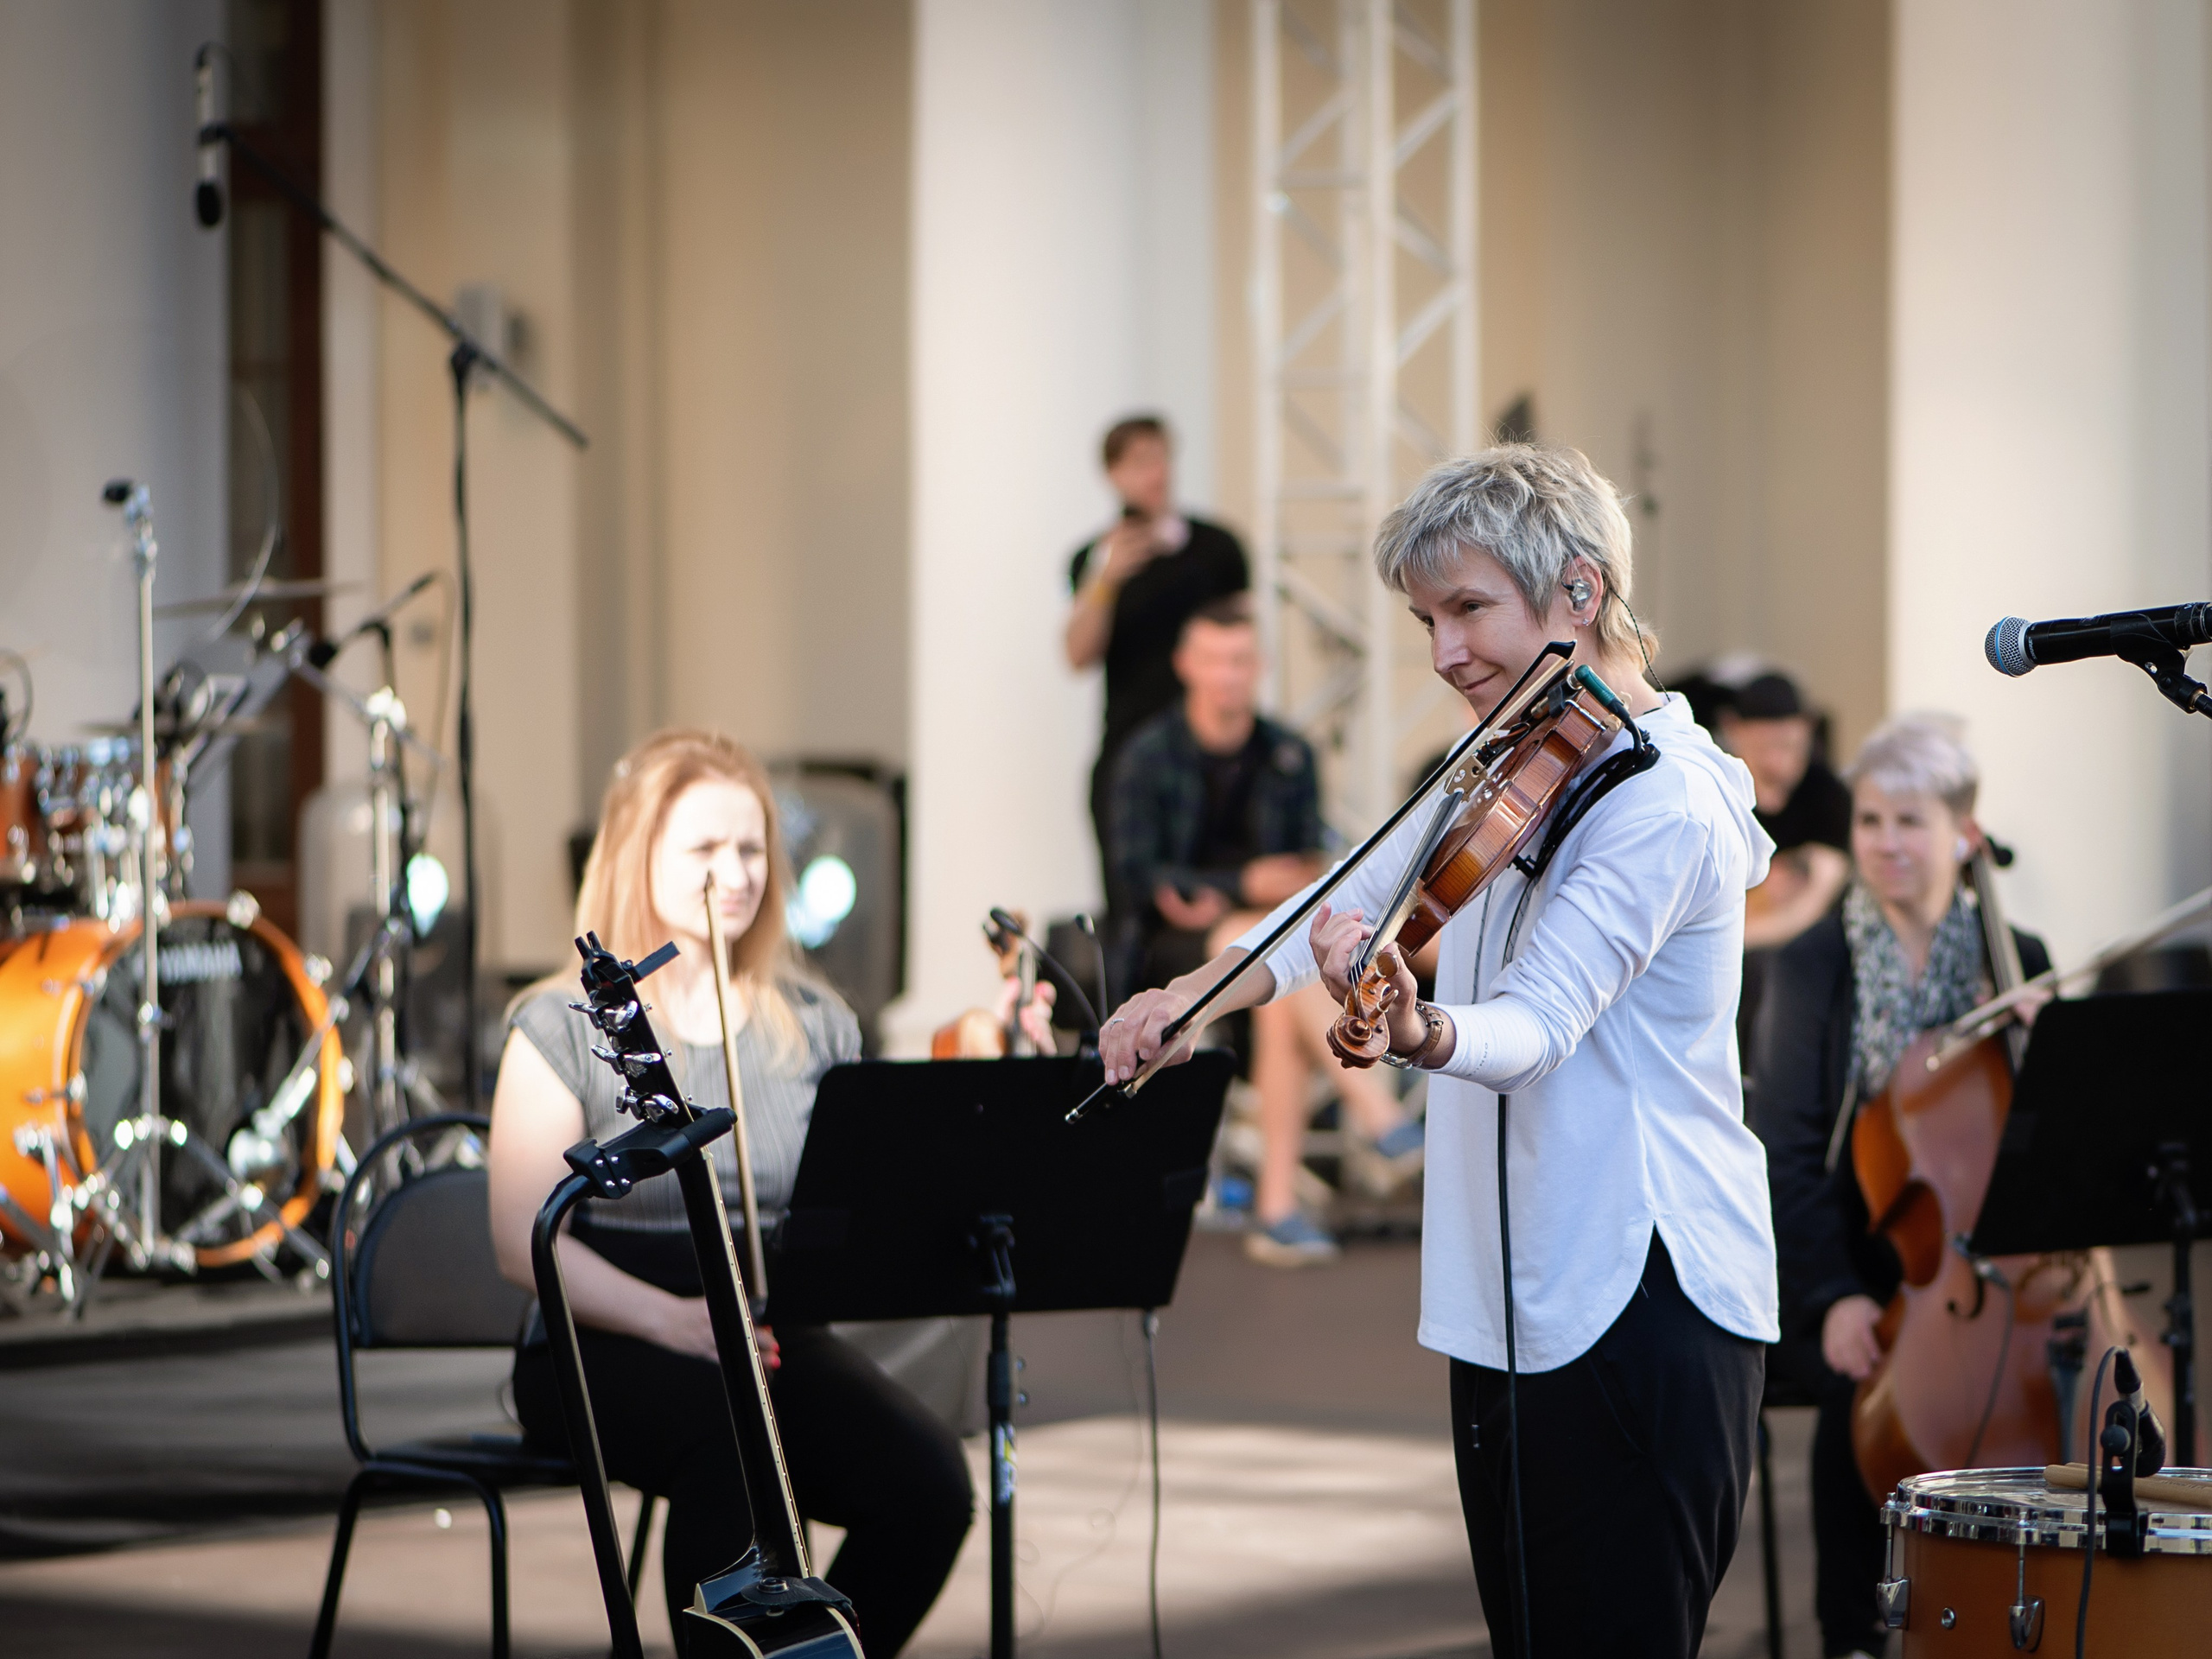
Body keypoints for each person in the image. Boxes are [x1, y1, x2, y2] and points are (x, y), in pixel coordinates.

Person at [1099, 443, 1780, 1658]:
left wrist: (1421, 1028)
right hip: (1516, 1297)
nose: (1443, 653)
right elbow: (1341, 893)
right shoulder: (1515, 757)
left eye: (1469, 608)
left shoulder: (1668, 797)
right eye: (1427, 618)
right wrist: (1192, 994)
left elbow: (1539, 1022)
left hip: (1639, 1295)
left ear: (1580, 591)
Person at [486, 730, 971, 1657]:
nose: (735, 874)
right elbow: (520, 1239)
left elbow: (860, 1203)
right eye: (704, 850)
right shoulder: (560, 1021)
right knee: (729, 1441)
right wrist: (672, 1320)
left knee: (927, 1485)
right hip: (601, 1336)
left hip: (762, 1329)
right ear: (641, 856)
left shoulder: (817, 1021)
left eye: (750, 849)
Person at [1751, 715, 2048, 1659]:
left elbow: (2047, 1150)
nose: (1883, 844)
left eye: (1907, 822)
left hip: (2000, 1271)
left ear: (1963, 833)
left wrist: (2045, 1052)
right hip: (1857, 1262)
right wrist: (1831, 1294)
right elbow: (1786, 1151)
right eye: (1869, 821)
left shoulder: (2019, 959)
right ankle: (1854, 1632)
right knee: (1859, 1405)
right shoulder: (1815, 967)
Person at [1107, 596, 1422, 1268]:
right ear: (1186, 665)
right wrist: (1242, 886)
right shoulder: (1146, 756)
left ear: (1262, 667)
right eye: (1216, 660)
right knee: (1259, 931)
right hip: (1173, 944)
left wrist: (1255, 893)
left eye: (1242, 660)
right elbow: (1136, 877)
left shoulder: (1287, 753)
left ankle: (1276, 1204)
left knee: (1278, 979)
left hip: (1265, 936)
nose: (1230, 674)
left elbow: (1313, 866)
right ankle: (1378, 1116)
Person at [1063, 415, 1249, 907]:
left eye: (1161, 456)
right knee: (1133, 903)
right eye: (1139, 461)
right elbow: (1077, 654)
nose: (1156, 472)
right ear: (1113, 474)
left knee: (1216, 893)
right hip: (1129, 747)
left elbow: (1244, 637)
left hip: (1207, 749)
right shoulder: (1094, 558)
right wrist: (1104, 579)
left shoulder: (1217, 548)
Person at [1724, 672, 1853, 954]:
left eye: (1787, 747)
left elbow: (1816, 899)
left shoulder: (1828, 796)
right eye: (1762, 749)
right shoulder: (1718, 794)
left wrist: (1727, 941)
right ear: (1732, 731)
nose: (1775, 763)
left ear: (1807, 730)